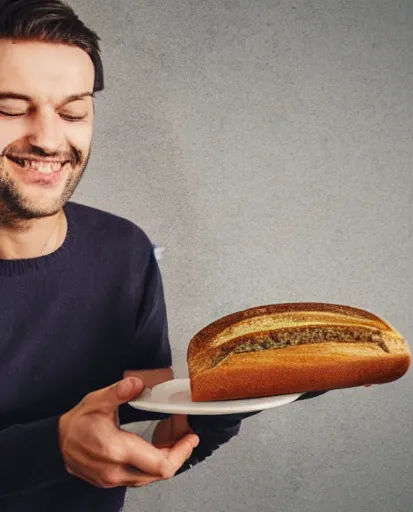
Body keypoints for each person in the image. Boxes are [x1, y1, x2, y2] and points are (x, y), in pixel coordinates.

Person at [0, 1, 326, 511]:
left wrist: (239, 397)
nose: (47, 138)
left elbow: (150, 428)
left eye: (73, 111)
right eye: (10, 109)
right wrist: (52, 446)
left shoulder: (124, 250)